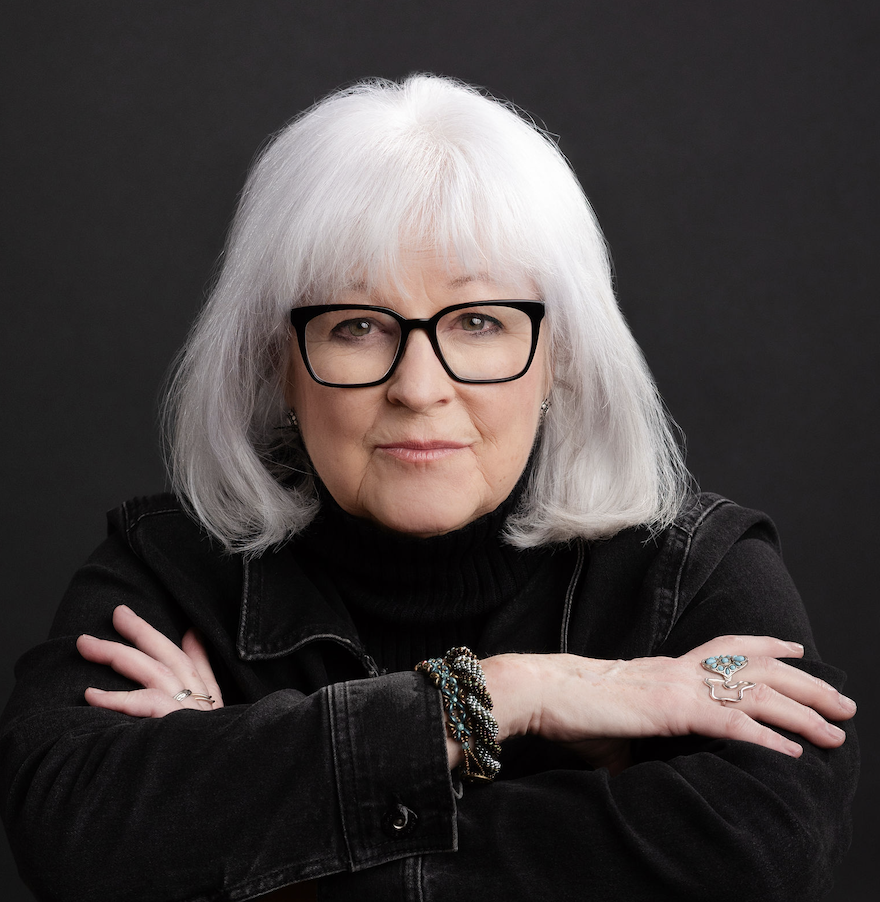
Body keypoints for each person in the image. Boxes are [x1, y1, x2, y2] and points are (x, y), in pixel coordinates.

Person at [0, 75, 857, 902]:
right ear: (279, 365)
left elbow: (761, 855)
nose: (418, 386)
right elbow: (71, 837)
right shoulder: (169, 569)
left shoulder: (694, 572)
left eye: (479, 322)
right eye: (357, 326)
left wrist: (250, 845)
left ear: (559, 354)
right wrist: (508, 693)